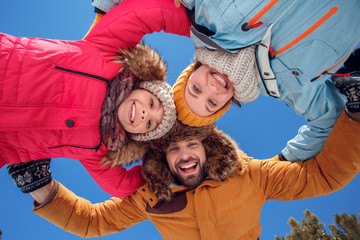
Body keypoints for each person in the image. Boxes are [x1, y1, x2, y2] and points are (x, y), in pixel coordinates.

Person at [8, 76, 360, 239]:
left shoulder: (250, 175)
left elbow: (324, 175)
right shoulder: (151, 197)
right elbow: (93, 222)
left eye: (191, 144)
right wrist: (40, 188)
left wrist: (355, 115)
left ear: (208, 147)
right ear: (162, 160)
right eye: (172, 149)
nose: (183, 154)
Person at [90, 0, 360, 162]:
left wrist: (103, 16)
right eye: (211, 103)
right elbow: (329, 124)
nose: (211, 88)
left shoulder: (207, 14)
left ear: (191, 72)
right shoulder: (290, 87)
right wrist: (283, 162)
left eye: (195, 89)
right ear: (224, 105)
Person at [0, 0, 192, 197]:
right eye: (152, 103)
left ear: (140, 136)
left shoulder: (100, 150)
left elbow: (120, 186)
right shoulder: (108, 52)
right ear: (143, 85)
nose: (145, 113)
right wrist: (200, 30)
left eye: (151, 124)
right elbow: (145, 14)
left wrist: (162, 170)